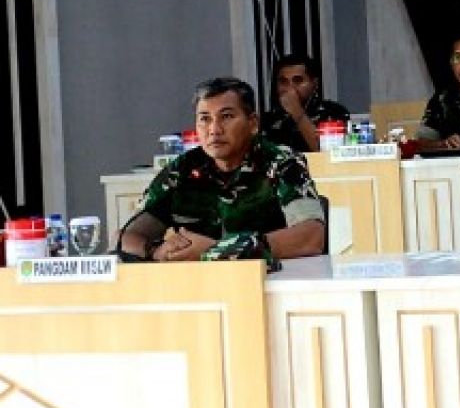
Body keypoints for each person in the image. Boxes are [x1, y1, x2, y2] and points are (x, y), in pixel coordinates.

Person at [118, 77, 326, 263]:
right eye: (205, 119)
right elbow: (126, 237)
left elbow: (312, 236)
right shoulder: (181, 170)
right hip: (200, 286)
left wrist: (219, 250)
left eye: (226, 117)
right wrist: (156, 251)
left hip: (268, 281)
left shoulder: (281, 162)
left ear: (253, 123)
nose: (214, 130)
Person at [260, 54, 350, 152]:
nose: (290, 88)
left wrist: (297, 112)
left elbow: (328, 153)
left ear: (314, 84)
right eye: (283, 82)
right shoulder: (268, 119)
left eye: (297, 81)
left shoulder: (333, 112)